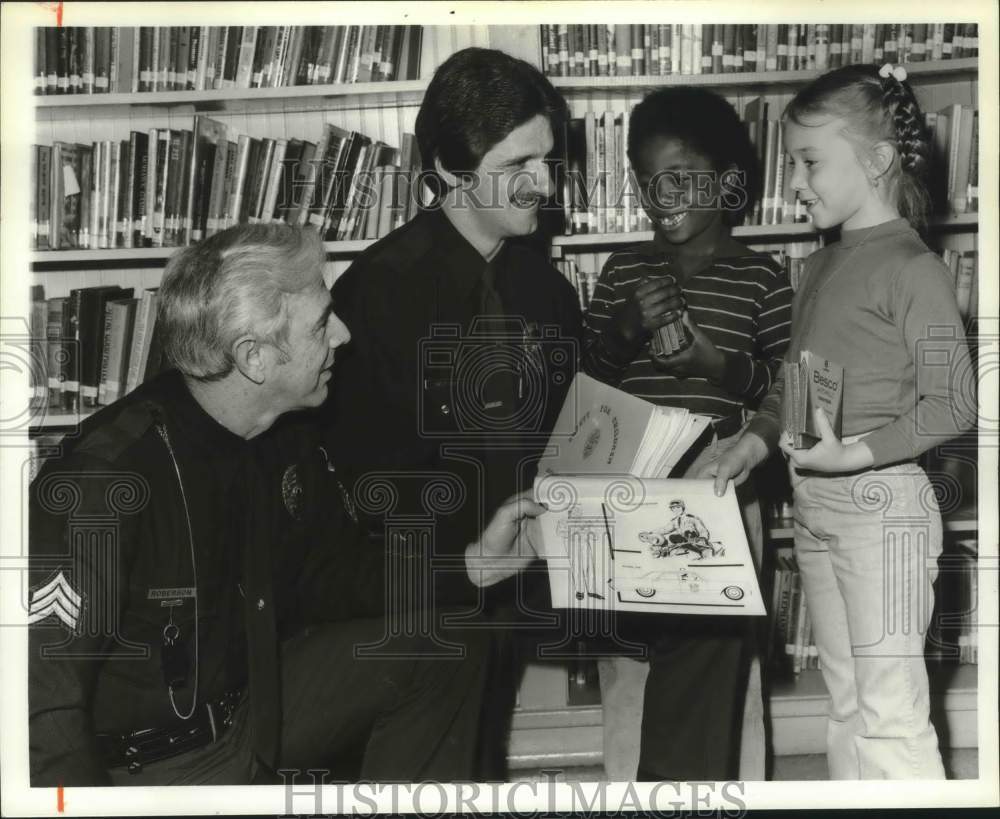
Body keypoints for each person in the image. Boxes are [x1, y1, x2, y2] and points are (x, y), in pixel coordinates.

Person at [27, 223, 546, 787]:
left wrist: (474, 564)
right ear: (255, 357)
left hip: (256, 710)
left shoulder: (283, 432)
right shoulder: (104, 479)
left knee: (449, 641)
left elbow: (333, 573)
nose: (344, 335)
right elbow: (41, 709)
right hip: (155, 766)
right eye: (322, 322)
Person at [708, 64, 976, 779]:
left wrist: (853, 454)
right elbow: (792, 389)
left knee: (890, 713)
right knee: (846, 701)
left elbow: (956, 401)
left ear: (878, 161)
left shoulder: (914, 268)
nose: (794, 179)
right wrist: (751, 443)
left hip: (882, 509)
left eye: (809, 161)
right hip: (818, 505)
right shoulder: (820, 266)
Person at [326, 48, 582, 777]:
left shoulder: (546, 288)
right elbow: (361, 491)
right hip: (425, 597)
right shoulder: (373, 296)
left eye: (550, 159)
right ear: (447, 169)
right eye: (518, 165)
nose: (545, 183)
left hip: (529, 574)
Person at [581, 87, 792, 781]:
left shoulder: (764, 278)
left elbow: (785, 389)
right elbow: (589, 389)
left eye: (677, 177)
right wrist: (624, 330)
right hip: (631, 490)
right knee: (628, 670)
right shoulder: (622, 273)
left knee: (728, 676)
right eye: (645, 179)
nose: (656, 194)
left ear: (728, 183)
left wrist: (712, 363)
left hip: (721, 489)